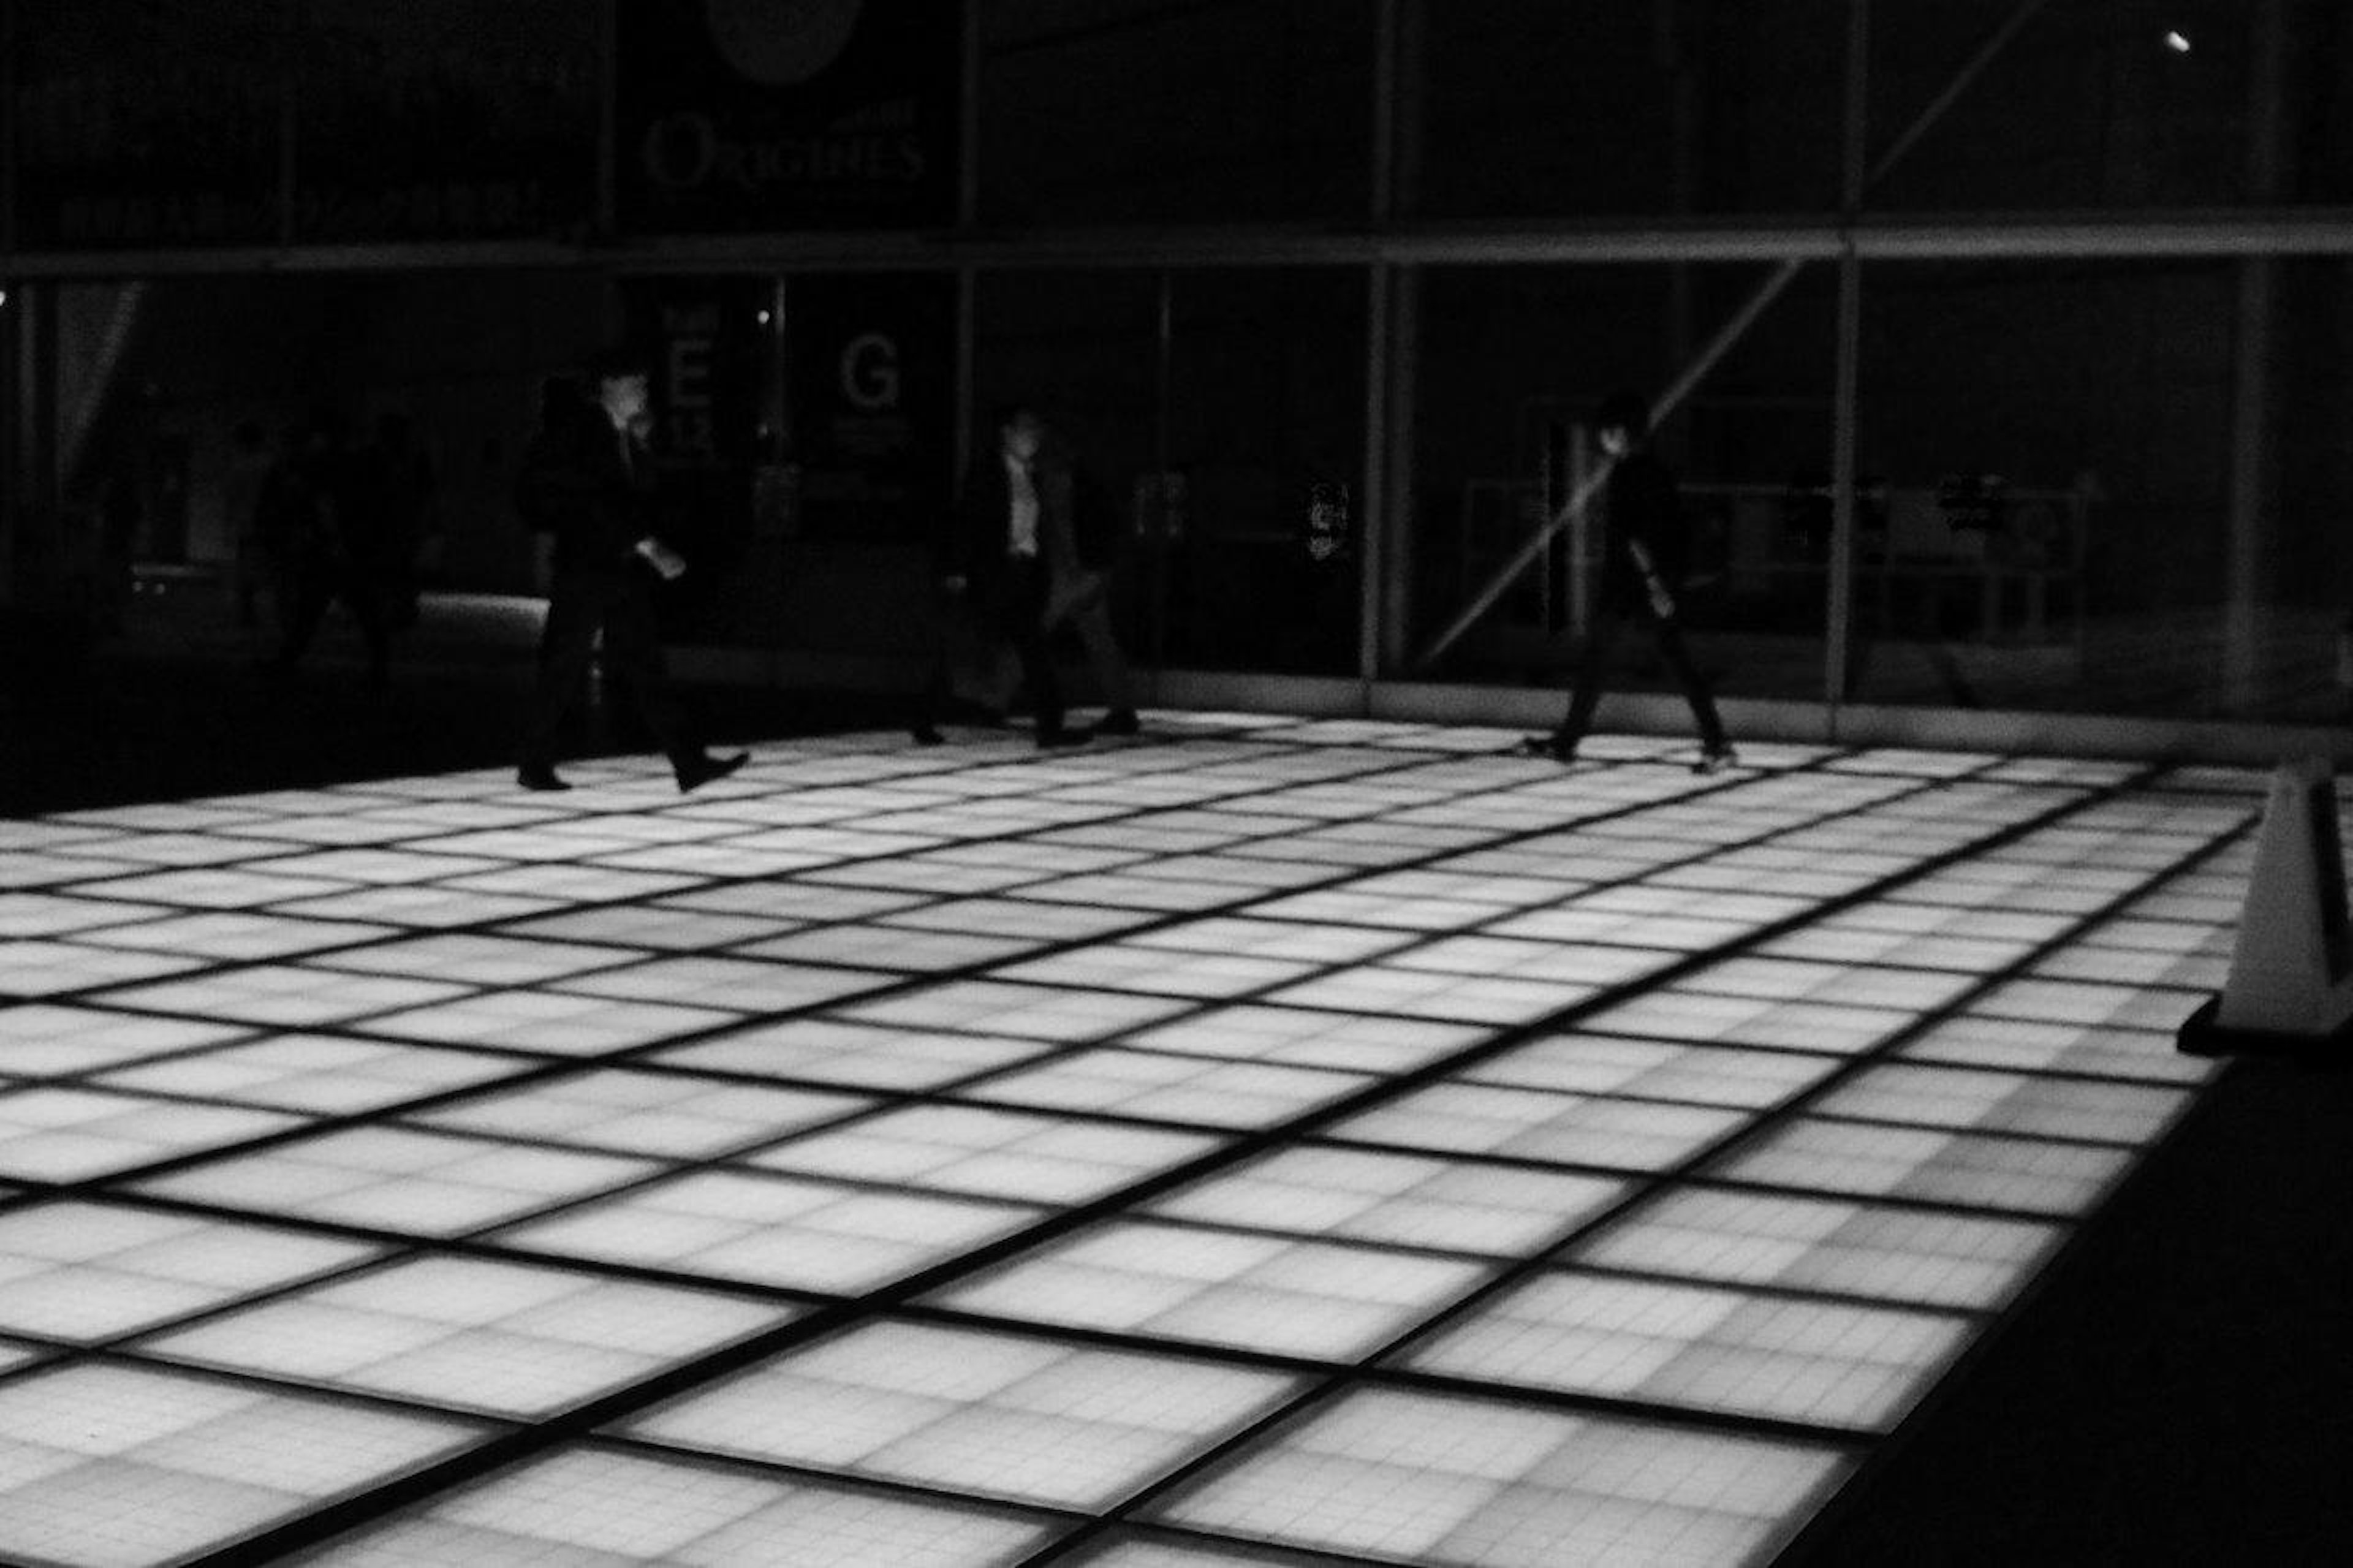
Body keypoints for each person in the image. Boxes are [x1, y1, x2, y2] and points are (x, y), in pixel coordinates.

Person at [512, 352, 748, 793]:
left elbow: (629, 496)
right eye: (635, 384)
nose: (643, 392)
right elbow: (598, 502)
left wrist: (641, 448)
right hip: (588, 568)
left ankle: (686, 761)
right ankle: (535, 759)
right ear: (610, 387)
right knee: (567, 665)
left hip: (613, 570)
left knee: (639, 663)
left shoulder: (620, 434)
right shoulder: (585, 432)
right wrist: (650, 546)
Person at [1523, 390, 1736, 774]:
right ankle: (1716, 741)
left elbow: (1631, 536)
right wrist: (1661, 582)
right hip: (1644, 584)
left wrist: (1653, 584)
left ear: (1618, 433)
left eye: (1605, 433)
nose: (1600, 439)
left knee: (1603, 664)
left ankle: (1568, 742)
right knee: (1673, 661)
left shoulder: (1626, 474)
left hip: (1629, 586)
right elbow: (1665, 532)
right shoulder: (1656, 472)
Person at [943, 404, 1124, 749]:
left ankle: (998, 706)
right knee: (1052, 642)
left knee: (1029, 643)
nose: (1036, 440)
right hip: (1053, 573)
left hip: (1057, 574)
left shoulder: (1040, 477)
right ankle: (1050, 717)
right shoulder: (1042, 477)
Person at [261, 408, 392, 691]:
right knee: (356, 606)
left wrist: (332, 539)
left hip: (333, 547)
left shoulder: (322, 463)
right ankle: (379, 666)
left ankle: (288, 660)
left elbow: (322, 503)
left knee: (316, 606)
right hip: (350, 545)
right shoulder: (359, 462)